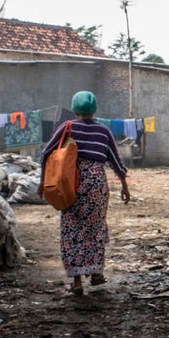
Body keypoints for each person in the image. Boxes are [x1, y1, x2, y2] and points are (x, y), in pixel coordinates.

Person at [40, 91, 130, 295]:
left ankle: (77, 281)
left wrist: (43, 182)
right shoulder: (104, 131)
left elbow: (46, 154)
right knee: (95, 227)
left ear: (74, 109)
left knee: (72, 229)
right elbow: (115, 161)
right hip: (97, 184)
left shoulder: (68, 127)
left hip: (71, 182)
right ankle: (96, 273)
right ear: (95, 109)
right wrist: (124, 186)